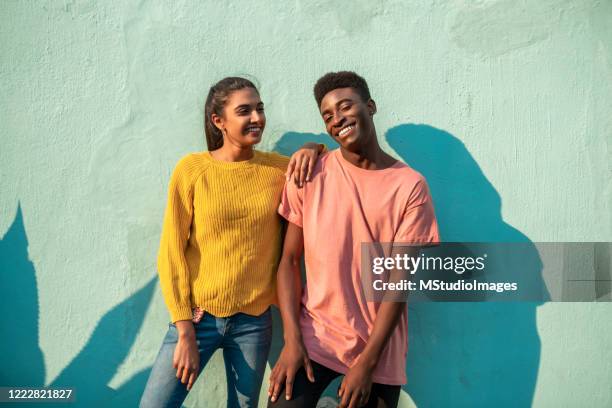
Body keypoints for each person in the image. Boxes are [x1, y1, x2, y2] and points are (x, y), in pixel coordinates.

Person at [140, 77, 325, 408]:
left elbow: (326, 160)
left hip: (253, 324)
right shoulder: (192, 169)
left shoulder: (277, 170)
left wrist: (313, 146)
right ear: (219, 121)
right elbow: (172, 254)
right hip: (197, 319)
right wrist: (184, 332)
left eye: (259, 108)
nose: (256, 117)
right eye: (244, 111)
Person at [267, 72, 440, 408]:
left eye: (345, 106)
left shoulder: (410, 186)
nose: (337, 120)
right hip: (315, 338)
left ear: (370, 106)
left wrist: (367, 363)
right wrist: (292, 340)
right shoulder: (310, 173)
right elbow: (288, 261)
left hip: (379, 349)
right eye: (328, 115)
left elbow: (398, 283)